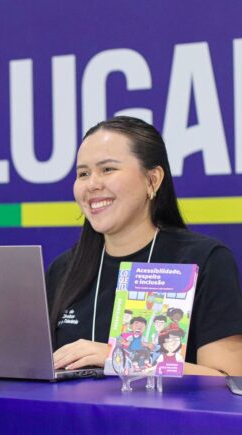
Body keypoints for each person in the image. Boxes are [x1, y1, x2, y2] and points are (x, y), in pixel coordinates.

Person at [46, 116, 242, 376]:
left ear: (153, 180)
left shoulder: (202, 260)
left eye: (108, 169)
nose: (92, 184)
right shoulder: (64, 269)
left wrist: (115, 357)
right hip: (72, 417)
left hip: (168, 418)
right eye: (83, 173)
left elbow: (228, 380)